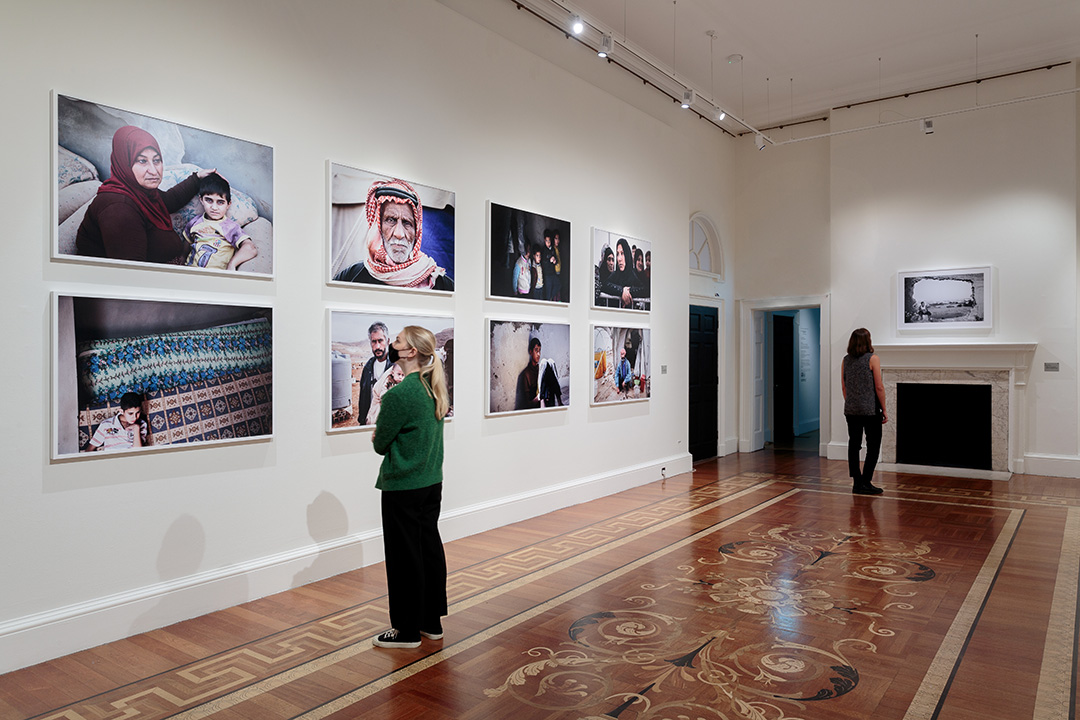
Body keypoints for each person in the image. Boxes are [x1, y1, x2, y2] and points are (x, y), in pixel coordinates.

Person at [371, 326, 450, 648]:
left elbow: (380, 444)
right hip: (431, 483)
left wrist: (378, 436)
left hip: (403, 486)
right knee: (428, 549)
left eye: (398, 340)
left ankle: (406, 630)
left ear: (411, 352)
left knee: (404, 558)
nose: (392, 344)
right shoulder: (432, 389)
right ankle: (431, 621)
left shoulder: (399, 395)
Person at [76, 126, 215, 263]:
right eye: (142, 161)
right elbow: (132, 276)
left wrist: (198, 178)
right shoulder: (119, 209)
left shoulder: (139, 192)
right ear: (124, 162)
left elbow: (168, 201)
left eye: (156, 160)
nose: (154, 171)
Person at [333, 179, 453, 290]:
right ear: (377, 226)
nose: (399, 234)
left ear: (416, 232)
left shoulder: (438, 282)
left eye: (407, 223)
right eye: (391, 220)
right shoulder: (351, 277)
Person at [841, 328, 887, 495]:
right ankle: (866, 481)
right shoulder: (873, 359)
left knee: (854, 445)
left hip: (851, 410)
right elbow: (879, 387)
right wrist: (884, 409)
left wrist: (852, 403)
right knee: (873, 445)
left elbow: (844, 386)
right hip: (870, 410)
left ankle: (857, 482)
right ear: (868, 341)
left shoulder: (846, 360)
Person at [183, 173, 258, 270]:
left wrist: (232, 264)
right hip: (190, 272)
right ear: (201, 200)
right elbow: (186, 244)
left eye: (220, 202)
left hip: (216, 277)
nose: (214, 207)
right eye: (209, 200)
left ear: (228, 204)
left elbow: (250, 248)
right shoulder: (194, 222)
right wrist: (181, 258)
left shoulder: (231, 227)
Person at [357, 322, 391, 424]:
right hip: (370, 422)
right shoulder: (367, 368)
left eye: (380, 341)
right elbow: (362, 398)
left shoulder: (396, 368)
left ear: (387, 341)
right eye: (374, 342)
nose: (377, 346)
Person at [600, 238, 649, 309]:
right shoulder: (615, 274)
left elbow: (645, 290)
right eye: (617, 254)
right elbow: (604, 285)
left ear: (627, 254)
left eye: (622, 253)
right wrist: (622, 290)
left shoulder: (632, 275)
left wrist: (628, 291)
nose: (619, 258)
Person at [514, 337, 542, 410]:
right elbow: (527, 404)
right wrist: (539, 397)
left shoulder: (541, 369)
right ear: (530, 352)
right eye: (536, 350)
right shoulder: (526, 374)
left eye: (539, 351)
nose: (538, 354)